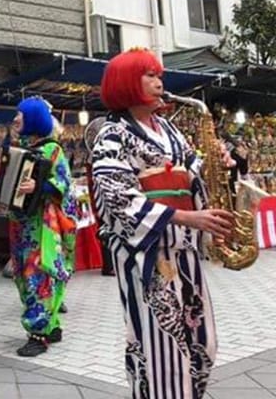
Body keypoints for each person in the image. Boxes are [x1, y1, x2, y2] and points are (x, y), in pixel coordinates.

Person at [91, 48, 234, 399]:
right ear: (126, 83)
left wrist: (216, 161)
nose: (160, 83)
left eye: (159, 75)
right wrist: (186, 216)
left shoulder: (168, 129)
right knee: (162, 349)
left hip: (183, 249)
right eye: (150, 76)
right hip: (147, 254)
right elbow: (117, 196)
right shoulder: (111, 135)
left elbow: (191, 173)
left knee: (203, 342)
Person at [7, 97, 76, 357]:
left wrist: (40, 186)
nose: (15, 119)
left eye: (20, 115)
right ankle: (53, 325)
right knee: (25, 276)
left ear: (33, 119)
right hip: (23, 226)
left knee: (39, 276)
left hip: (41, 229)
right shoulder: (24, 149)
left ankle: (38, 333)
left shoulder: (51, 151)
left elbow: (64, 185)